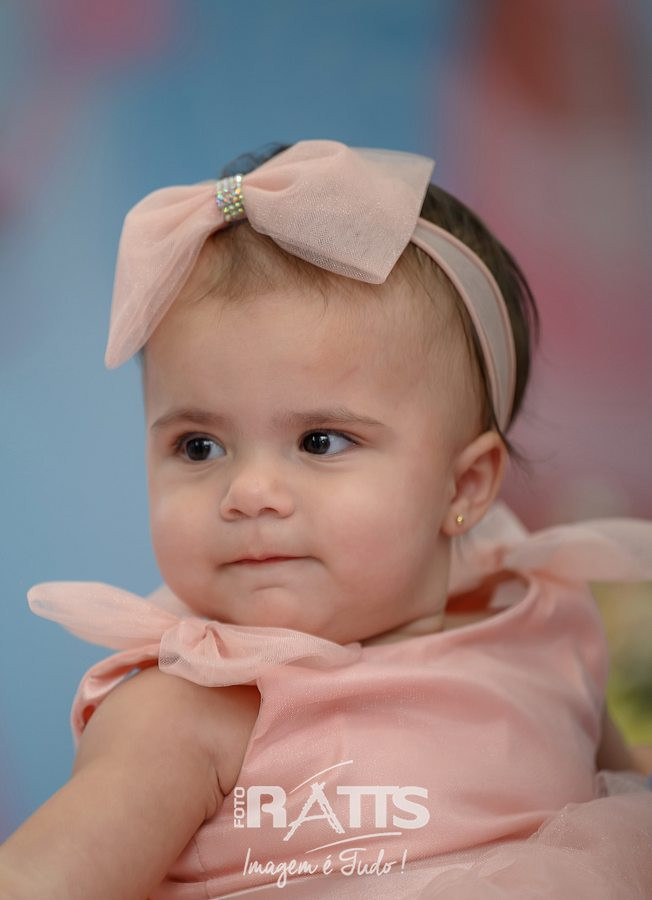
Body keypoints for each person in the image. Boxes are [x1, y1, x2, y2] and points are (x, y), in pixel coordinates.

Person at [1, 140, 651, 899]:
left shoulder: (547, 628)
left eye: (320, 441)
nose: (249, 493)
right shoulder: (190, 710)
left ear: (464, 485)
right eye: (198, 445)